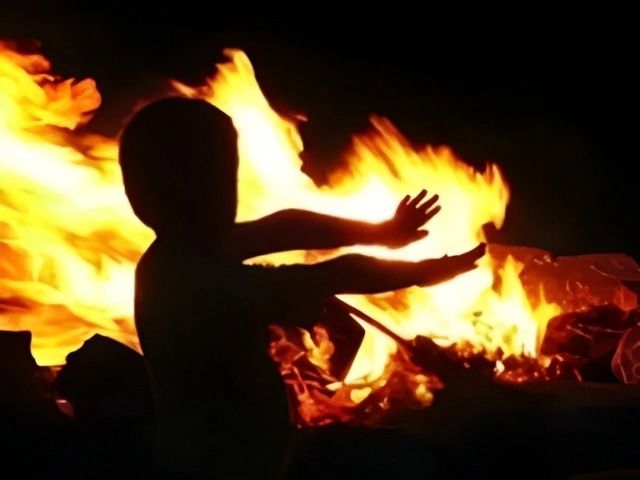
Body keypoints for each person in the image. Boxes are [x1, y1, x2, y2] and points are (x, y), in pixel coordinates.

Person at [119, 97, 485, 479]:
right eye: (221, 178)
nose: (230, 189)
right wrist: (422, 272)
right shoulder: (201, 286)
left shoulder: (179, 251)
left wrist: (381, 233)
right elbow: (333, 275)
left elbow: (284, 227)